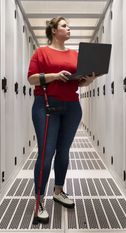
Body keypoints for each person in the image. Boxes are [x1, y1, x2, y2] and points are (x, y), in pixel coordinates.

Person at [27, 16, 96, 224]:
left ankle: (58, 191)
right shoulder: (41, 52)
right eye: (64, 26)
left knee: (64, 151)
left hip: (72, 107)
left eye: (69, 26)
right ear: (54, 30)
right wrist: (55, 75)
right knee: (46, 153)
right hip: (47, 106)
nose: (68, 29)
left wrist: (91, 78)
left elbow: (80, 82)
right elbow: (31, 78)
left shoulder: (75, 54)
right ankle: (39, 201)